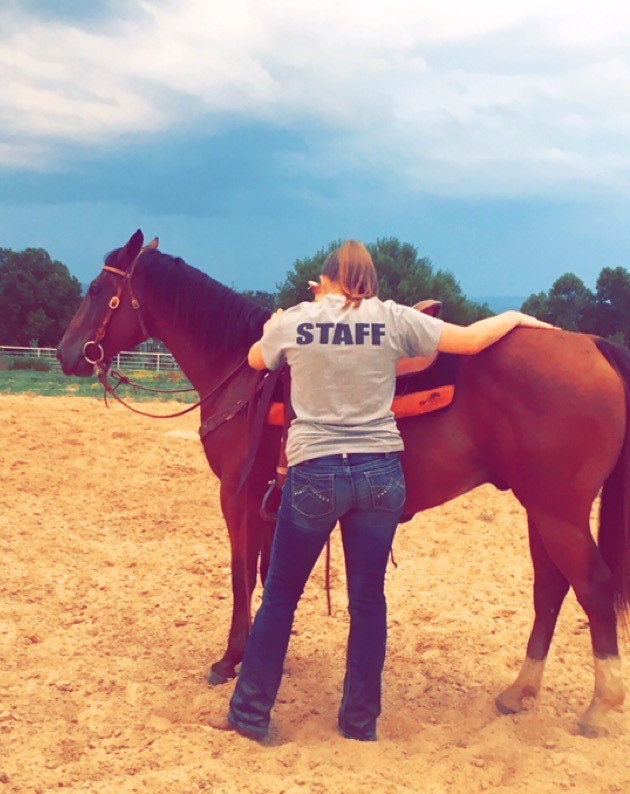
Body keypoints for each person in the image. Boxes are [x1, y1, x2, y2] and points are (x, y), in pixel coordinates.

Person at [210, 240, 554, 743]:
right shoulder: (392, 318)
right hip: (379, 475)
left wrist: (278, 321)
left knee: (281, 596)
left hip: (314, 474)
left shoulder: (299, 319)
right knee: (368, 601)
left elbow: (256, 359)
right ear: (370, 280)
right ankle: (358, 723)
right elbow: (474, 340)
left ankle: (250, 715)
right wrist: (518, 316)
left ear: (324, 280)